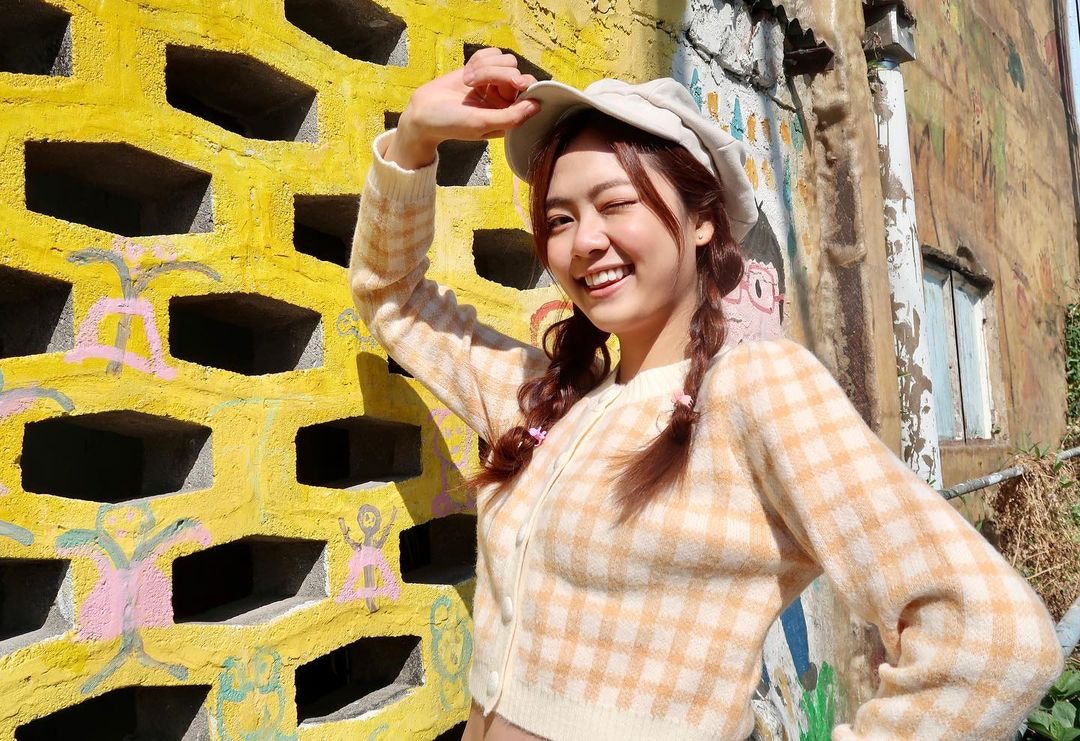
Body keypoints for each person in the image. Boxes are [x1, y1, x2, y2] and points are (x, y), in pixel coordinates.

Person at [349, 47, 1063, 740]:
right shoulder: (547, 400)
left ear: (702, 220)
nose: (584, 241)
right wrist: (414, 138)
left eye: (615, 203)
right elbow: (392, 298)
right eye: (560, 219)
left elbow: (992, 640)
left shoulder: (755, 390)